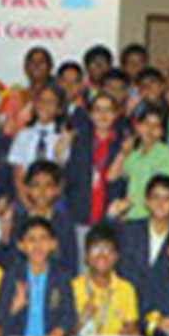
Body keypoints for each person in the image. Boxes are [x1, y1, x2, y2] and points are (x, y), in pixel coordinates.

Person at [68, 223, 143, 336]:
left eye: (108, 250)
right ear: (86, 256)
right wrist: (79, 321)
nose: (102, 255)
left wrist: (132, 335)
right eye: (95, 249)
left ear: (117, 256)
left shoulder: (126, 289)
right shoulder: (73, 287)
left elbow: (134, 334)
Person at [63, 92, 127, 253]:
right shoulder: (78, 142)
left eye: (108, 110)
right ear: (90, 114)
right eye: (98, 110)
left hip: (113, 215)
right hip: (81, 213)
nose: (103, 115)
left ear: (116, 114)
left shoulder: (124, 144)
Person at [1, 161, 77, 276]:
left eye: (48, 185)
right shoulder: (18, 221)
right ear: (27, 189)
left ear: (57, 190)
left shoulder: (64, 224)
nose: (42, 191)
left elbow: (70, 263)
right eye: (36, 185)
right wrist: (4, 240)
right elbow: (10, 260)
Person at [114, 172, 169, 301]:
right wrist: (112, 216)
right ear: (147, 201)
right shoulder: (128, 230)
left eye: (167, 199)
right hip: (126, 304)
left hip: (163, 308)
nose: (160, 203)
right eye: (155, 197)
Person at [6, 82, 70, 200]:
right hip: (27, 196)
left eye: (51, 101)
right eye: (41, 100)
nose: (44, 105)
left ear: (60, 108)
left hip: (55, 199)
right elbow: (18, 174)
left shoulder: (65, 136)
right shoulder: (23, 135)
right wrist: (26, 202)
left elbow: (65, 172)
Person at [114, 105, 169, 223]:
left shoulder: (166, 155)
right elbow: (112, 176)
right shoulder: (135, 153)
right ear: (138, 126)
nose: (150, 130)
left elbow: (164, 191)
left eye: (156, 126)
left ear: (162, 132)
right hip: (130, 216)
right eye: (146, 124)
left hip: (152, 217)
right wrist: (122, 153)